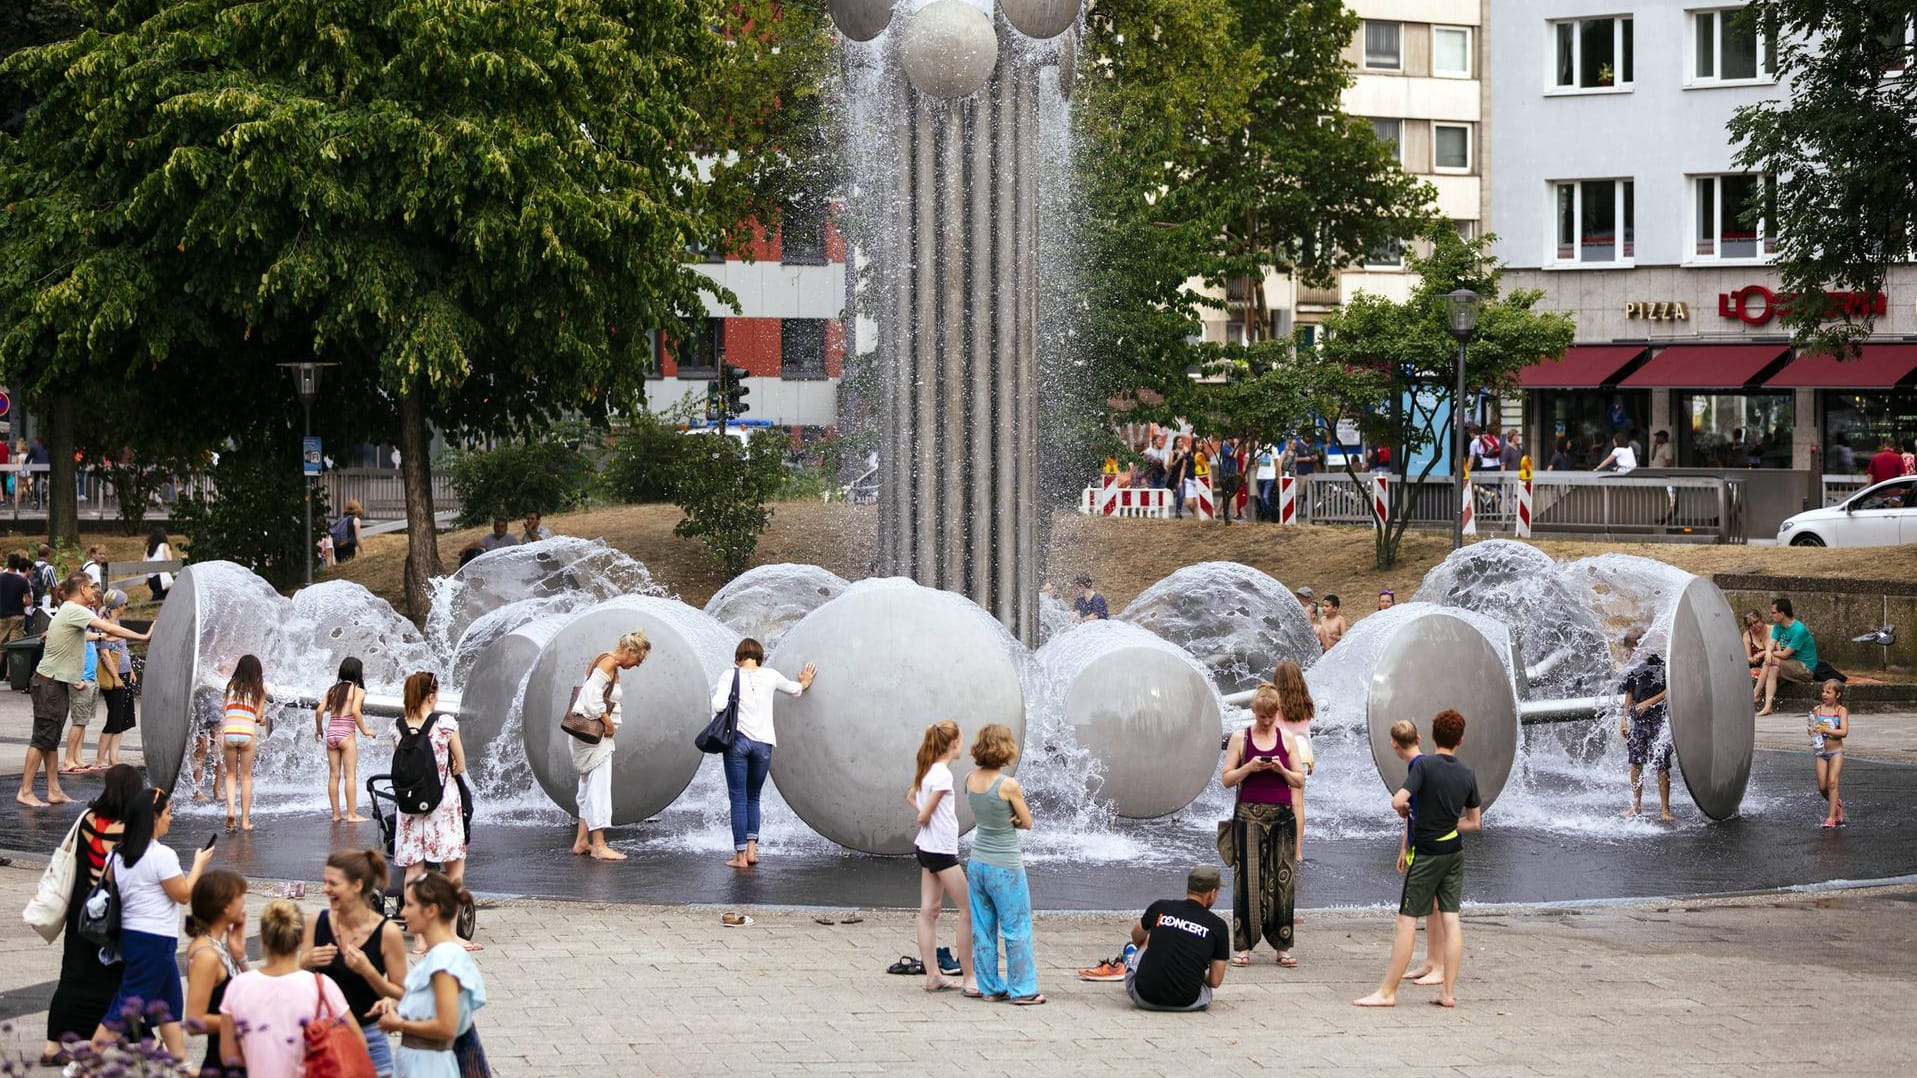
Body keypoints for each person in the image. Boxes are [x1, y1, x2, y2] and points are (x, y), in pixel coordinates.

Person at [1354, 708, 1482, 1009]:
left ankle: (1387, 992)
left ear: (1432, 735)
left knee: (1406, 920)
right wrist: (1452, 824)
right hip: (1454, 853)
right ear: (1460, 740)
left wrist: (1404, 809)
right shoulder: (1467, 774)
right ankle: (1447, 993)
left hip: (1426, 855)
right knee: (1451, 919)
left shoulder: (1425, 768)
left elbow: (1399, 800)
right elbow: (1474, 822)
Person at [93, 787, 216, 1060]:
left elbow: (109, 886)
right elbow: (183, 895)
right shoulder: (161, 855)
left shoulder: (118, 854)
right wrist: (198, 865)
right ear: (154, 818)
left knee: (169, 1005)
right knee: (126, 1005)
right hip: (153, 940)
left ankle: (181, 1064)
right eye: (168, 813)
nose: (171, 819)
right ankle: (83, 1064)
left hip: (132, 936)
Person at [20, 574, 150, 808]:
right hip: (49, 683)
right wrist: (144, 636)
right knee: (41, 740)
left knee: (50, 740)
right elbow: (109, 627)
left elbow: (84, 634)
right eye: (91, 587)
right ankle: (25, 791)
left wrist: (101, 636)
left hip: (55, 684)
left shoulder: (69, 611)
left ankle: (53, 790)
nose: (94, 592)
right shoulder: (76, 610)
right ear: (82, 588)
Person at [42, 764, 141, 1066]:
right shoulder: (133, 829)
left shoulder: (86, 819)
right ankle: (138, 1039)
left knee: (73, 976)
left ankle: (51, 1046)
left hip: (82, 912)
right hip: (116, 915)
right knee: (126, 976)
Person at [220, 899, 363, 1075]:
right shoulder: (321, 986)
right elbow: (358, 1042)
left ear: (264, 938)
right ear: (301, 938)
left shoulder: (238, 987)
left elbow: (228, 1055)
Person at [1219, 683, 1306, 968]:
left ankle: (1282, 945)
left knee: (1283, 881)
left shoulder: (1288, 738)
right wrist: (1250, 768)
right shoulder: (1240, 738)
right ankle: (1243, 946)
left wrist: (1281, 769)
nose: (1266, 721)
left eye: (1270, 716)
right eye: (1261, 716)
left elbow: (1300, 779)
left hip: (1282, 817)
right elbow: (1227, 778)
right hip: (1249, 816)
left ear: (1276, 713)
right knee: (1248, 881)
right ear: (1254, 712)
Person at [712, 638, 816, 869]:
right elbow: (795, 690)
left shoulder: (730, 675)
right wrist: (805, 681)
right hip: (764, 745)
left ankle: (739, 858)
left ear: (738, 657)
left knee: (738, 798)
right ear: (760, 657)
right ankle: (752, 851)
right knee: (753, 797)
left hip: (737, 743)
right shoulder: (771, 675)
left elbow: (718, 705)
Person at [372, 872, 488, 1078]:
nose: (403, 912)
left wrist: (400, 1024)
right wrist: (396, 1005)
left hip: (429, 1066)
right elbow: (431, 1005)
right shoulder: (440, 955)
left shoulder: (444, 958)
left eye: (409, 905)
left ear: (431, 910)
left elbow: (446, 1026)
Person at [305, 848, 409, 1076]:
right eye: (324, 882)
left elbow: (402, 993)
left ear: (357, 885)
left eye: (333, 883)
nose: (326, 889)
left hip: (370, 1037)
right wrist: (305, 961)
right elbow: (294, 982)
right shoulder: (317, 921)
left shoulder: (387, 932)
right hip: (323, 1036)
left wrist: (369, 972)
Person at [965, 722, 1041, 1005]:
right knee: (1016, 927)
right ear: (1005, 748)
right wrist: (1015, 820)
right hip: (1005, 865)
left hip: (978, 863)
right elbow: (1028, 822)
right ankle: (1023, 991)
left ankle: (990, 988)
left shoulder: (969, 780)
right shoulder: (1008, 785)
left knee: (983, 928)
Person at [908, 721, 975, 994]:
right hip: (940, 851)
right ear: (953, 744)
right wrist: (926, 815)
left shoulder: (928, 771)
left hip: (926, 848)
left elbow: (910, 796)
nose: (963, 744)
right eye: (960, 740)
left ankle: (933, 975)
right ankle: (970, 977)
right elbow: (923, 815)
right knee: (968, 909)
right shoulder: (943, 775)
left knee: (929, 911)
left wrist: (925, 811)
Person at [570, 632, 650, 861]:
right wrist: (607, 722)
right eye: (638, 659)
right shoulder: (609, 663)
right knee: (599, 788)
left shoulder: (602, 659)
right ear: (630, 650)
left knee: (587, 788)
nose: (637, 665)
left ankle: (581, 841)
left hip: (587, 737)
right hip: (596, 737)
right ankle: (599, 845)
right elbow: (590, 696)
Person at [393, 672, 469, 891]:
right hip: (442, 802)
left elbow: (402, 766)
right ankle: (448, 921)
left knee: (413, 871)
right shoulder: (445, 724)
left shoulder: (397, 727)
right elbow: (460, 765)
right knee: (454, 868)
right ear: (430, 696)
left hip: (409, 803)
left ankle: (414, 921)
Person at [1119, 865, 1231, 1012]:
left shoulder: (1160, 907)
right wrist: (1195, 972)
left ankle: (1133, 962)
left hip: (1143, 997)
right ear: (1212, 893)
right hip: (1188, 1003)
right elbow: (1215, 981)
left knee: (1148, 938)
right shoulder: (1218, 926)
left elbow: (1136, 935)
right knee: (1206, 990)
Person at [1388, 720, 1449, 988]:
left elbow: (1401, 803)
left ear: (1394, 745)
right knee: (1432, 908)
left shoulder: (1420, 767)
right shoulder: (1421, 765)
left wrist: (1408, 841)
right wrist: (1404, 846)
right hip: (1420, 844)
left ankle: (1438, 965)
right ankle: (1431, 961)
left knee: (1433, 907)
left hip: (1429, 846)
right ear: (1419, 736)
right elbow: (1412, 811)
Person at [183, 869, 250, 1078]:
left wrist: (240, 957)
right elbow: (194, 1022)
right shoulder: (206, 955)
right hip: (223, 1064)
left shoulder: (217, 946)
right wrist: (245, 1020)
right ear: (226, 907)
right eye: (241, 898)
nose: (244, 904)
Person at [1617, 630, 1674, 822]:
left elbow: (1671, 689)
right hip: (1638, 722)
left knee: (1662, 764)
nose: (1629, 654)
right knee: (1635, 763)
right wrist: (1624, 718)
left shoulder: (1659, 664)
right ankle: (1636, 806)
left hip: (1658, 720)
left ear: (1638, 646)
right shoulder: (1633, 668)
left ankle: (1665, 809)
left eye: (1631, 649)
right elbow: (1629, 694)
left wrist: (1648, 702)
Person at [316, 657, 375, 823]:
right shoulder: (358, 690)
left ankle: (336, 815)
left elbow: (319, 711)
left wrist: (319, 729)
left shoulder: (331, 690)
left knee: (334, 776)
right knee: (350, 776)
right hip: (346, 736)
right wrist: (365, 731)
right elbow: (356, 711)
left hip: (331, 735)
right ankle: (352, 814)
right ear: (358, 673)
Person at [1269, 661, 1315, 857]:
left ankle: (1276, 847)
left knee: (1275, 802)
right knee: (1298, 804)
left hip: (1282, 753)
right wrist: (1312, 760)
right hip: (1304, 754)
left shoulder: (1275, 704)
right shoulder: (1305, 702)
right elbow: (1306, 733)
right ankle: (1297, 852)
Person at [221, 654, 268, 832]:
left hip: (230, 733)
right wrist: (261, 720)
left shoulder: (230, 686)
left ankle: (231, 810)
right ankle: (245, 821)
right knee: (246, 777)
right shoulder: (260, 689)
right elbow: (257, 716)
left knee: (231, 775)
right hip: (247, 734)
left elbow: (225, 709)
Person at [94, 590, 137, 769]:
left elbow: (123, 649)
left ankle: (113, 757)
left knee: (122, 719)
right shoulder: (102, 624)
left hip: (125, 673)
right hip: (114, 676)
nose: (126, 607)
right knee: (114, 717)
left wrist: (131, 670)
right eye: (125, 603)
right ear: (119, 605)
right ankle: (99, 759)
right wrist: (116, 677)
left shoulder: (116, 622)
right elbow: (104, 653)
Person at [1756, 597, 1818, 717]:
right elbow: (1771, 643)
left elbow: (1785, 654)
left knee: (1770, 660)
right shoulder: (1778, 626)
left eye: (1773, 612)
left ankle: (1756, 693)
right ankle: (1768, 706)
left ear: (1782, 614)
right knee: (1772, 668)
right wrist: (1768, 651)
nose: (1771, 615)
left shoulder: (1799, 630)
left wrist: (1767, 653)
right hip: (1788, 664)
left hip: (1805, 668)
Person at [60, 614, 102, 776]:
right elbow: (66, 657)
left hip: (90, 678)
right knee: (78, 721)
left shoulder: (86, 628)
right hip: (81, 680)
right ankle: (68, 759)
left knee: (83, 721)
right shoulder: (75, 632)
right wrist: (75, 679)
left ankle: (77, 756)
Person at [1809, 680, 1848, 829]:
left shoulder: (1841, 711)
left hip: (1836, 752)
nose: (1824, 694)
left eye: (1828, 692)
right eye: (1823, 691)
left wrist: (1826, 730)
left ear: (1837, 695)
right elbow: (1811, 728)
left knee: (1832, 782)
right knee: (1822, 787)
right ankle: (1836, 803)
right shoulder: (1817, 710)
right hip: (1821, 752)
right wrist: (1812, 731)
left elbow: (1844, 732)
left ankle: (1831, 818)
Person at [0, 553, 31, 647]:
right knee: (14, 647)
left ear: (7, 563)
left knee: (1, 647)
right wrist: (21, 603)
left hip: (2, 616)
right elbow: (29, 601)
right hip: (18, 617)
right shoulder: (23, 581)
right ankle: (12, 662)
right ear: (18, 564)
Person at [143, 529, 174, 601]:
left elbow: (144, 562)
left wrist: (147, 577)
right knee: (155, 601)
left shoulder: (149, 547)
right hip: (161, 579)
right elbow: (170, 560)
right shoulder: (165, 546)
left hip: (151, 580)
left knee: (164, 598)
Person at [1742, 610, 1768, 675]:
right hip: (1755, 669)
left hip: (1771, 666)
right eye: (1750, 625)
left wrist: (1763, 653)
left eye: (1756, 622)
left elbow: (1780, 650)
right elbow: (1748, 658)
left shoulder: (1773, 629)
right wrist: (1753, 660)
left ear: (1761, 619)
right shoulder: (1747, 635)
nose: (1754, 626)